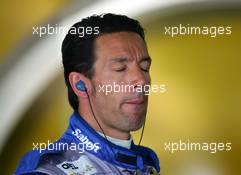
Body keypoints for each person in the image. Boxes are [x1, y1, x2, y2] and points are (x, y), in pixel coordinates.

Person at [15, 13, 160, 175]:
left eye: (145, 68)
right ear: (81, 85)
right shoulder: (47, 172)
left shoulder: (146, 165)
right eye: (120, 68)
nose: (141, 80)